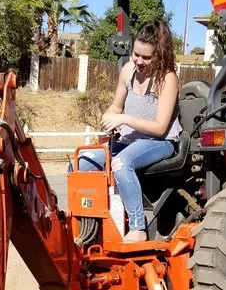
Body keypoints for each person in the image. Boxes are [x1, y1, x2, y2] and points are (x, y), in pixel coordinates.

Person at [78, 19, 182, 243]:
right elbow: (116, 105)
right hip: (129, 139)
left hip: (160, 141)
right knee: (83, 160)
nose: (139, 61)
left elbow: (160, 127)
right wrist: (110, 117)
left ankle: (138, 228)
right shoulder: (128, 70)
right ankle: (90, 223)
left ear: (160, 55)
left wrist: (124, 118)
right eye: (136, 54)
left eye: (147, 57)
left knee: (121, 163)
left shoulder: (167, 79)